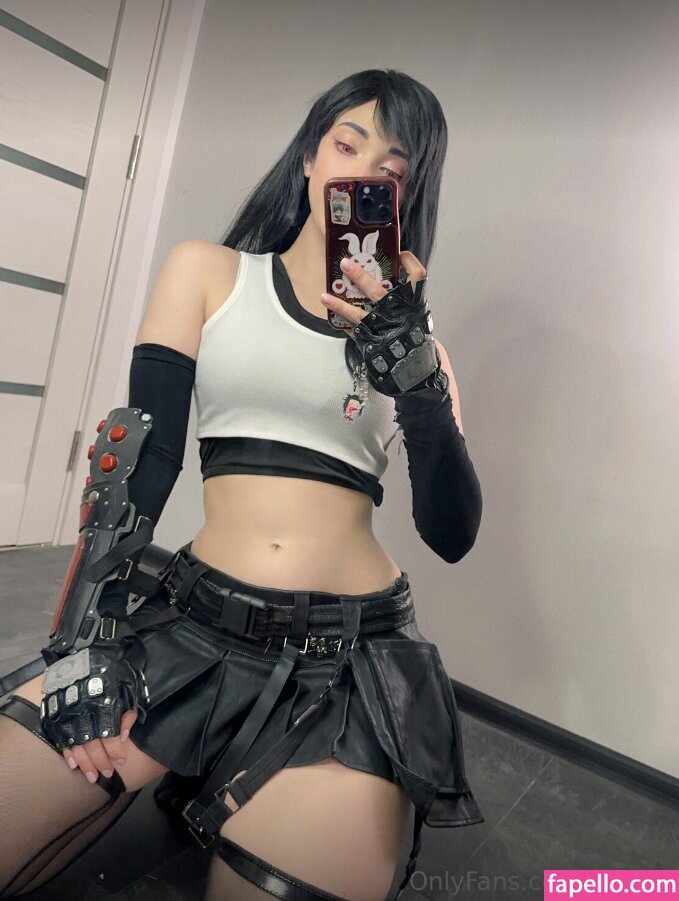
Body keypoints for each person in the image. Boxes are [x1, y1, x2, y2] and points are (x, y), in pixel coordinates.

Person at [0, 69, 484, 901]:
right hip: (188, 629)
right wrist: (89, 634)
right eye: (346, 144)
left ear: (404, 201)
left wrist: (418, 380)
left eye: (391, 170)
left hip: (347, 665)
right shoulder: (208, 273)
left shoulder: (422, 351)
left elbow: (452, 531)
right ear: (309, 155)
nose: (360, 174)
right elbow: (143, 461)